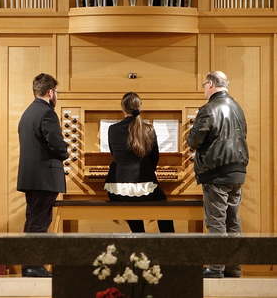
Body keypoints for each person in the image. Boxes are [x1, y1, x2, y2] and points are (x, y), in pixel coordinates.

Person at [187, 71, 249, 278]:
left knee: (216, 221)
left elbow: (194, 141)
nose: (204, 88)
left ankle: (215, 268)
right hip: (237, 171)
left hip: (216, 172)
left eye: (205, 84)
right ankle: (233, 267)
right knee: (232, 220)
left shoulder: (209, 109)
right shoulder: (237, 107)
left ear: (212, 84)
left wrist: (195, 123)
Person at [17, 73, 69, 277]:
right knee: (39, 222)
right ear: (50, 92)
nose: (56, 96)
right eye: (56, 92)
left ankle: (29, 265)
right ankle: (33, 267)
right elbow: (56, 143)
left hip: (32, 177)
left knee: (33, 221)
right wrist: (65, 151)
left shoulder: (28, 112)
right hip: (44, 178)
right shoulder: (47, 113)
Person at [104, 92, 175, 233]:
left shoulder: (112, 129)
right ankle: (169, 241)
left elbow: (114, 154)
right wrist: (148, 172)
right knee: (164, 207)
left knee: (129, 202)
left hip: (117, 187)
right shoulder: (148, 128)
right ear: (139, 107)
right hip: (143, 186)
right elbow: (155, 157)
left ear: (123, 108)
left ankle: (139, 235)